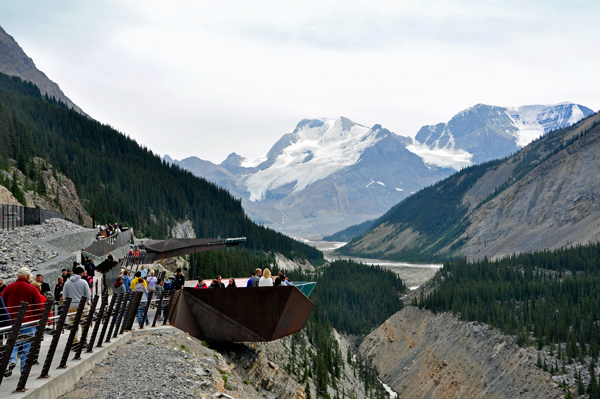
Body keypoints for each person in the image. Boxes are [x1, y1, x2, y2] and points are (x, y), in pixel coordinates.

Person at [1, 267, 43, 375]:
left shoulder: (9, 288)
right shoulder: (32, 289)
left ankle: (12, 360)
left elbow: (2, 304)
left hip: (12, 321)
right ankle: (24, 370)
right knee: (27, 346)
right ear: (28, 277)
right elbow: (39, 307)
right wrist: (43, 318)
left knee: (13, 343)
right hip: (29, 322)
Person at [63, 266, 91, 344]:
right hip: (82, 306)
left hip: (71, 306)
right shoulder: (84, 282)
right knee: (84, 324)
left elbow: (64, 296)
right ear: (80, 273)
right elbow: (88, 295)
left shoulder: (67, 283)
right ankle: (84, 340)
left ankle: (75, 342)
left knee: (73, 326)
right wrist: (86, 301)